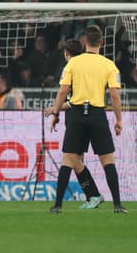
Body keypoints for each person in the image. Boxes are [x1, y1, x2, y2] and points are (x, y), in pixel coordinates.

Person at [47, 25, 126, 214]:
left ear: (84, 42)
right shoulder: (108, 64)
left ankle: (58, 205)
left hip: (76, 115)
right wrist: (119, 119)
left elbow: (63, 91)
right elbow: (114, 95)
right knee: (108, 160)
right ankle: (117, 205)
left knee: (68, 160)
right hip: (97, 114)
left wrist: (56, 113)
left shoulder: (73, 63)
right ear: (101, 42)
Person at [44, 39, 105, 210]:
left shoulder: (71, 68)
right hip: (85, 116)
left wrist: (54, 110)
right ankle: (93, 196)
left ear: (66, 53)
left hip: (78, 117)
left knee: (70, 159)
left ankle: (87, 197)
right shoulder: (87, 67)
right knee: (76, 161)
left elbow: (72, 101)